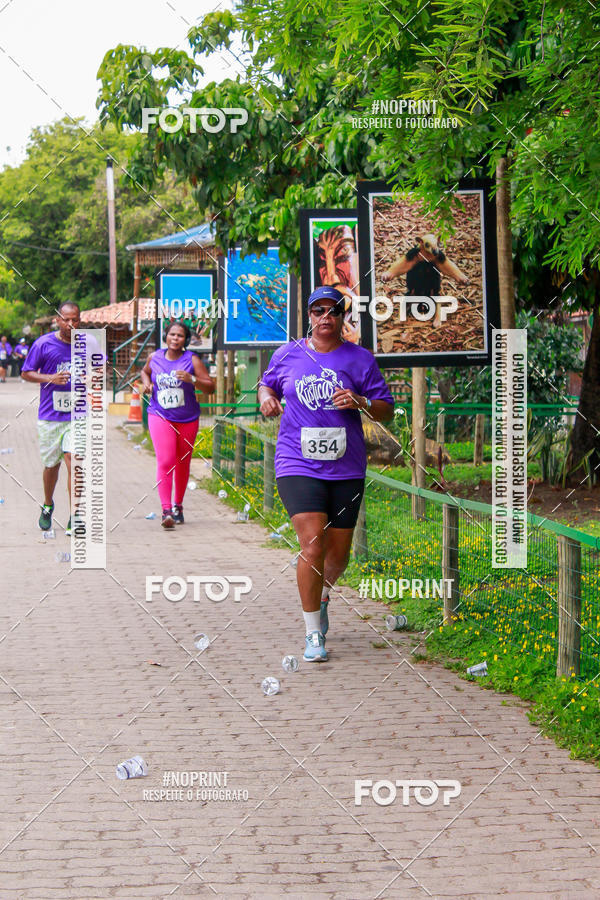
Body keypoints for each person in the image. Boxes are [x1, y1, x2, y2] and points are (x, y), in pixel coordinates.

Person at [258, 285, 394, 662]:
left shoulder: (360, 359)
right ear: (309, 316)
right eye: (318, 311)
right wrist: (267, 398)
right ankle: (312, 633)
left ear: (342, 316)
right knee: (312, 545)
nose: (325, 318)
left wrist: (362, 401)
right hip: (296, 462)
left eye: (333, 311)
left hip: (346, 466)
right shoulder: (288, 354)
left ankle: (321, 594)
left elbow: (387, 409)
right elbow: (266, 383)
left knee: (337, 556)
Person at [140, 320, 214, 529]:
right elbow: (145, 371)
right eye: (172, 334)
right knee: (166, 460)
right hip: (160, 415)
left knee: (182, 462)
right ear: (166, 336)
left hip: (187, 418)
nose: (175, 339)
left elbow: (210, 387)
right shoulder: (155, 357)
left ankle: (178, 505)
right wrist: (147, 383)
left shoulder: (192, 360)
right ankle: (166, 510)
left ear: (186, 340)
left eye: (180, 336)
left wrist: (192, 379)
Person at [21, 303, 81, 534]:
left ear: (79, 320)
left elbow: (98, 368)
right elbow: (26, 373)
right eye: (66, 320)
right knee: (51, 465)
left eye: (74, 320)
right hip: (50, 415)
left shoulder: (87, 344)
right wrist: (50, 378)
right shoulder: (43, 344)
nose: (70, 324)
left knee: (74, 461)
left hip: (78, 415)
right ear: (58, 320)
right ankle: (48, 504)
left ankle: (75, 515)